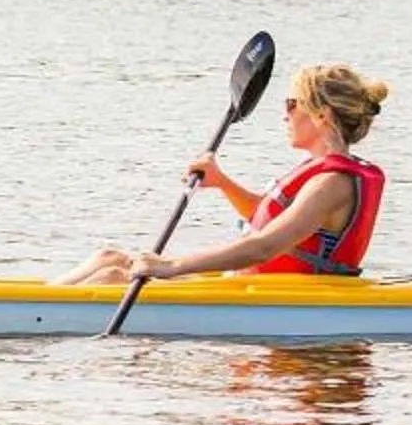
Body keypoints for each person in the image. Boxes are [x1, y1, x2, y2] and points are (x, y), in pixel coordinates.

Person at [66, 64, 390, 284]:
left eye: (292, 103)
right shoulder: (324, 173)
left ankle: (43, 318)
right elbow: (273, 221)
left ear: (322, 115)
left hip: (279, 298)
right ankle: (38, 305)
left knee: (112, 278)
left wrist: (171, 266)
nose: (285, 114)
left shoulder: (331, 184)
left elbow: (264, 247)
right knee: (108, 258)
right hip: (255, 288)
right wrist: (222, 183)